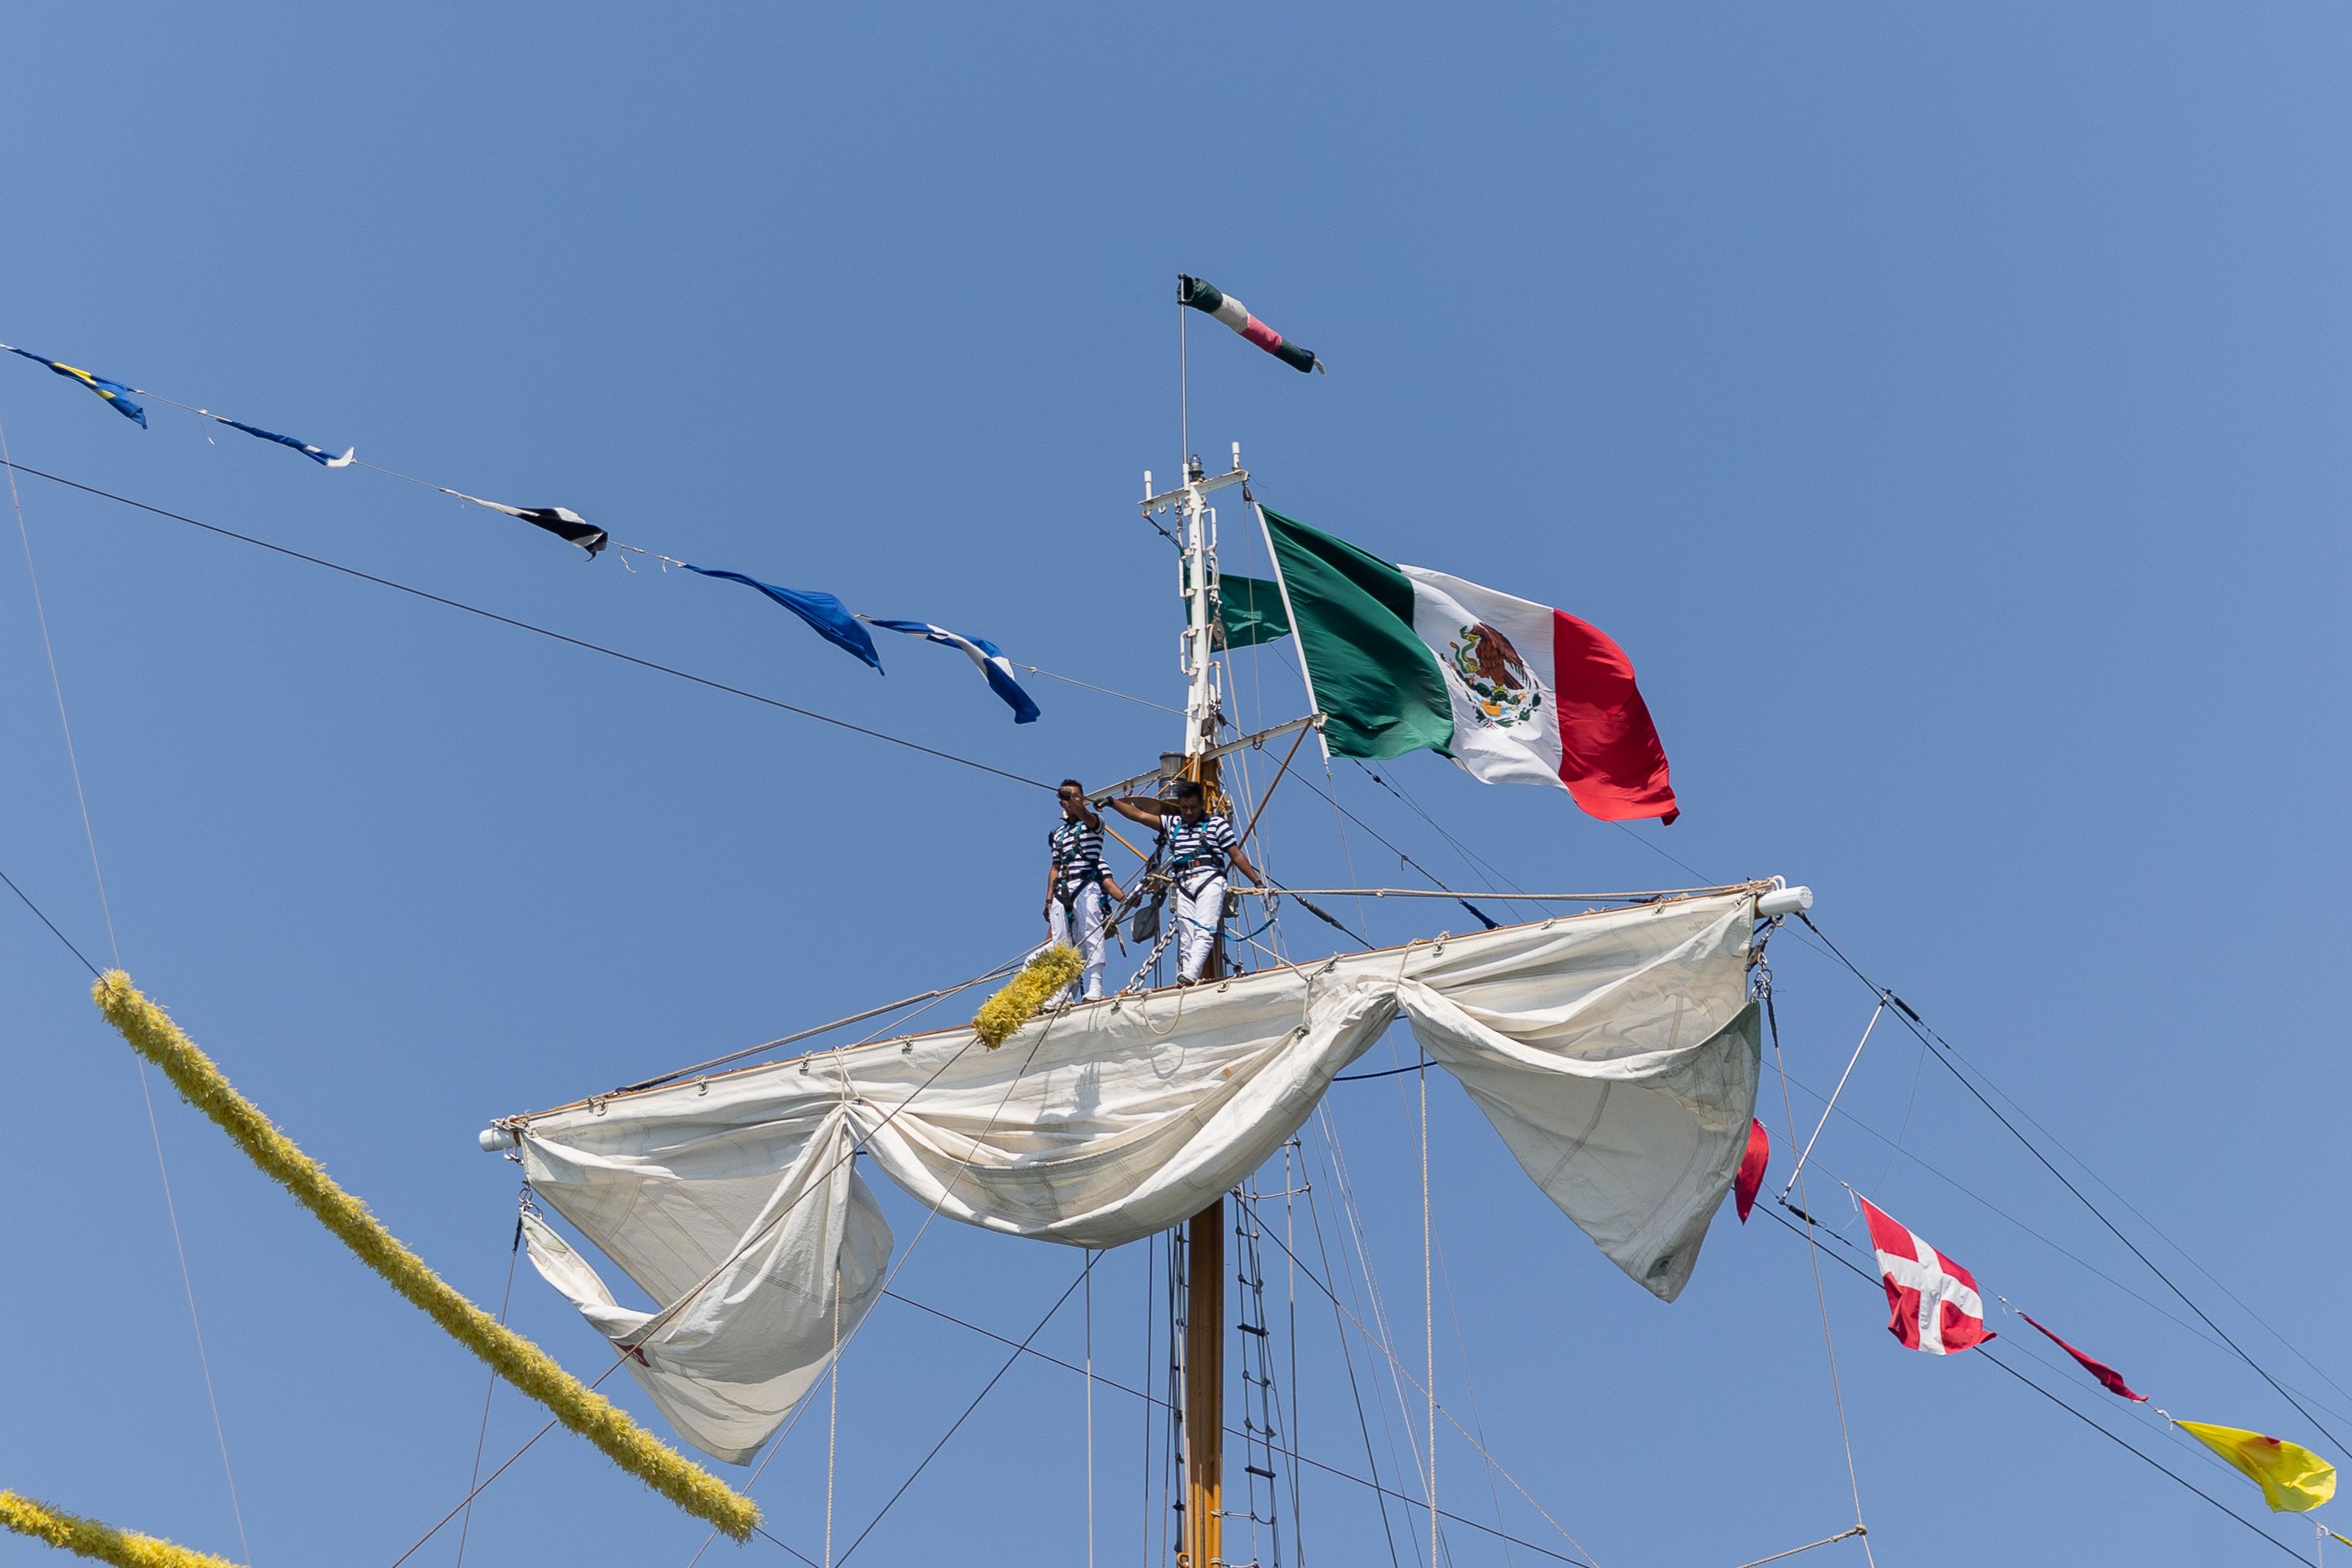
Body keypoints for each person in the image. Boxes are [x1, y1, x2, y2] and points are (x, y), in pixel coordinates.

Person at [1108, 778, 1262, 985]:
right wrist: (1112, 803)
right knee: (1187, 935)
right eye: (1184, 807)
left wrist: (1257, 881)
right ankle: (1187, 976)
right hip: (1183, 883)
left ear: (1202, 804)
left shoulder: (1217, 825)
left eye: (1193, 807)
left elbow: (1236, 855)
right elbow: (1141, 816)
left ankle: (1192, 971)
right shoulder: (1174, 824)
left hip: (1210, 880)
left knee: (1204, 928)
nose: (1188, 812)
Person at [1044, 780, 1125, 1004]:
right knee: (1062, 941)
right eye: (1069, 796)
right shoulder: (1058, 835)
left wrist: (1072, 799)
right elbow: (1055, 867)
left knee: (1092, 932)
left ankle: (1096, 983)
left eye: (1077, 796)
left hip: (1085, 885)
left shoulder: (1094, 823)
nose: (1074, 799)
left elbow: (1084, 813)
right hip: (1063, 889)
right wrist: (1048, 900)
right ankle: (1064, 990)